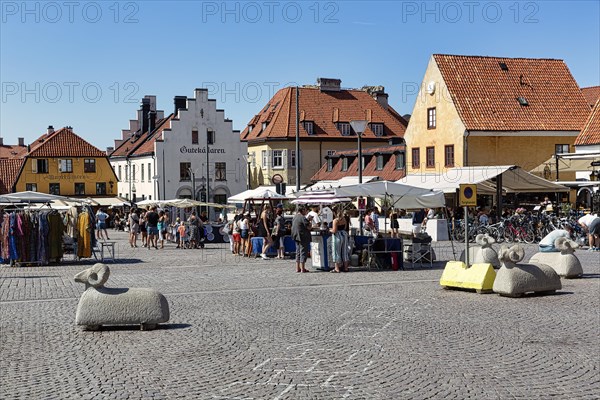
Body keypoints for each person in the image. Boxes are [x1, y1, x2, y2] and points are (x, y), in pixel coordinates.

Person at [291, 206, 311, 273]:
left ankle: (297, 268)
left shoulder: (295, 217)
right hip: (302, 236)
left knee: (298, 252)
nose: (306, 211)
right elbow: (308, 227)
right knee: (303, 252)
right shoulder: (302, 217)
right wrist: (309, 220)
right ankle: (302, 268)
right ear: (302, 210)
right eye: (305, 210)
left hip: (296, 236)